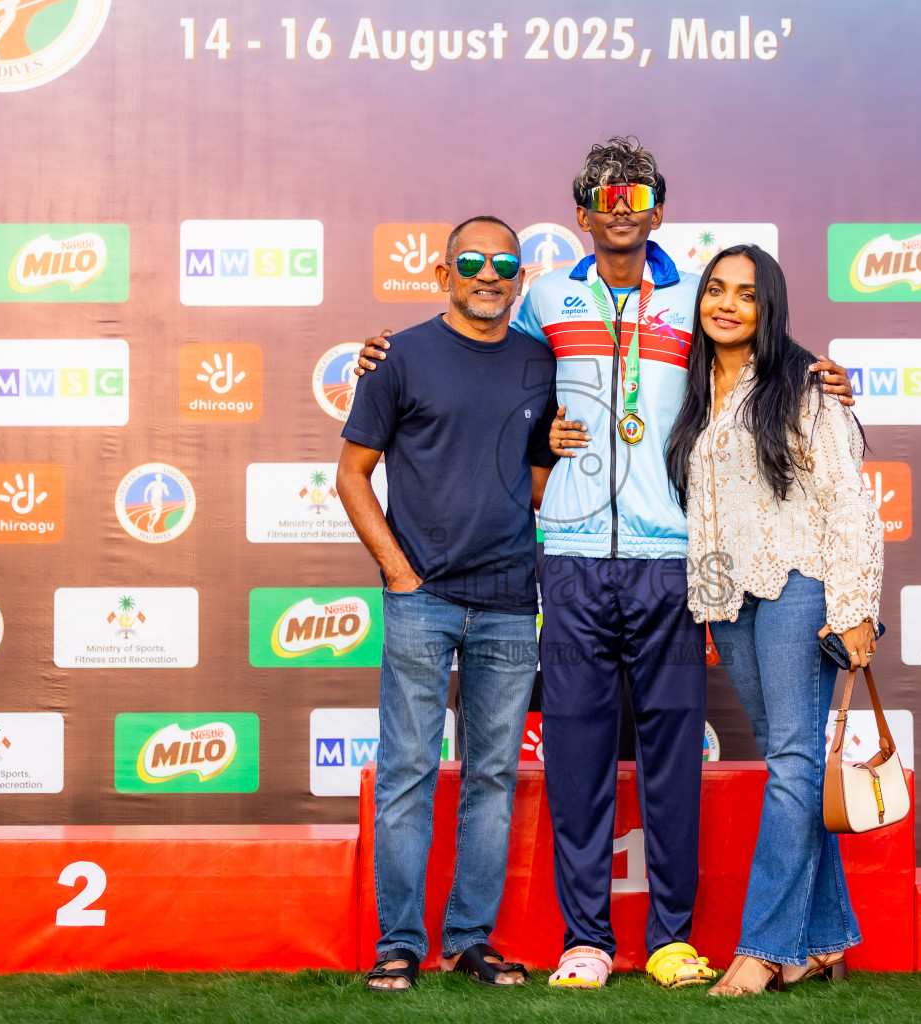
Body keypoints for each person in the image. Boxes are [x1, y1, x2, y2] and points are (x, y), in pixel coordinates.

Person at [359, 137, 854, 990]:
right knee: (578, 758)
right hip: (572, 559)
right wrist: (381, 354)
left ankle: (670, 937)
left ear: (658, 209)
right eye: (604, 198)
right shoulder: (542, 294)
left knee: (672, 761)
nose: (621, 211)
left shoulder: (694, 293)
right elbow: (467, 342)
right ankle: (585, 938)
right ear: (582, 211)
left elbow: (758, 340)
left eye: (638, 198)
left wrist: (822, 371)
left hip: (675, 560)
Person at [336, 215, 557, 992]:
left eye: (504, 262)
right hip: (420, 600)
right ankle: (399, 943)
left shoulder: (542, 361)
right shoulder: (399, 356)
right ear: (442, 273)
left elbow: (536, 480)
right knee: (406, 773)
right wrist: (398, 572)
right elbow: (352, 474)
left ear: (521, 277)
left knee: (493, 776)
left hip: (508, 602)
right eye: (471, 261)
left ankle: (470, 940)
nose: (488, 273)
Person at [662, 244, 883, 996]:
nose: (726, 303)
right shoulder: (697, 388)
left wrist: (855, 609)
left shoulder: (804, 385)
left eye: (746, 294)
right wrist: (710, 600)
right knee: (793, 766)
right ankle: (824, 938)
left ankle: (762, 949)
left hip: (800, 587)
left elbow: (849, 503)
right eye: (715, 289)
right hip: (730, 598)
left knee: (791, 766)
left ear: (770, 306)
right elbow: (710, 514)